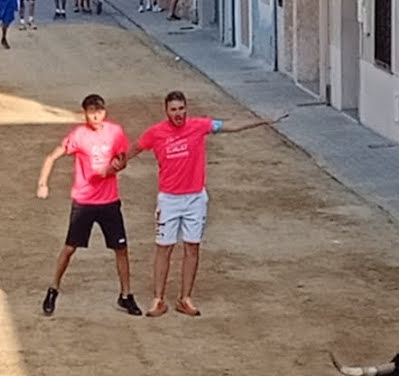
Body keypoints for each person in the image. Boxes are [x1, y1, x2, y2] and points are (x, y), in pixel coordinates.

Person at [122, 91, 287, 317]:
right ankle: (158, 299)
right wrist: (114, 165)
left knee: (192, 247)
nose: (178, 113)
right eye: (174, 109)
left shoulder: (199, 126)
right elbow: (134, 149)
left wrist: (264, 120)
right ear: (166, 111)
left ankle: (185, 298)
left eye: (181, 109)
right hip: (169, 199)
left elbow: (231, 126)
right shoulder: (156, 133)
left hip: (195, 198)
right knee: (164, 249)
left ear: (186, 109)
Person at [36, 94, 142, 317]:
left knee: (121, 248)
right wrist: (42, 183)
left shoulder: (115, 132)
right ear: (84, 113)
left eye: (99, 111)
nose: (96, 115)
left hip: (109, 201)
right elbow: (52, 156)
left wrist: (114, 168)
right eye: (91, 111)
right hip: (84, 201)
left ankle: (126, 294)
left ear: (104, 112)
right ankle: (53, 289)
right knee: (70, 247)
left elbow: (122, 159)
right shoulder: (79, 135)